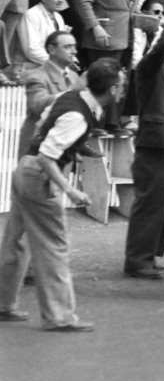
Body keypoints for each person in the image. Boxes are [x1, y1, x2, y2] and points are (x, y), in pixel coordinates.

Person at [0, 59, 122, 331]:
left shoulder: (69, 98)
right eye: (121, 86)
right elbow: (47, 156)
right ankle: (59, 316)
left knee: (15, 241)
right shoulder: (78, 115)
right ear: (113, 89)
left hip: (25, 168)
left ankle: (4, 303)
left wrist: (74, 149)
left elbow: (44, 128)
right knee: (53, 246)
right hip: (39, 176)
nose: (123, 91)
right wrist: (70, 189)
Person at [122, 16, 164, 279]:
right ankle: (138, 260)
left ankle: (151, 253)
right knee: (151, 204)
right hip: (154, 145)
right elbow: (160, 47)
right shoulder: (149, 67)